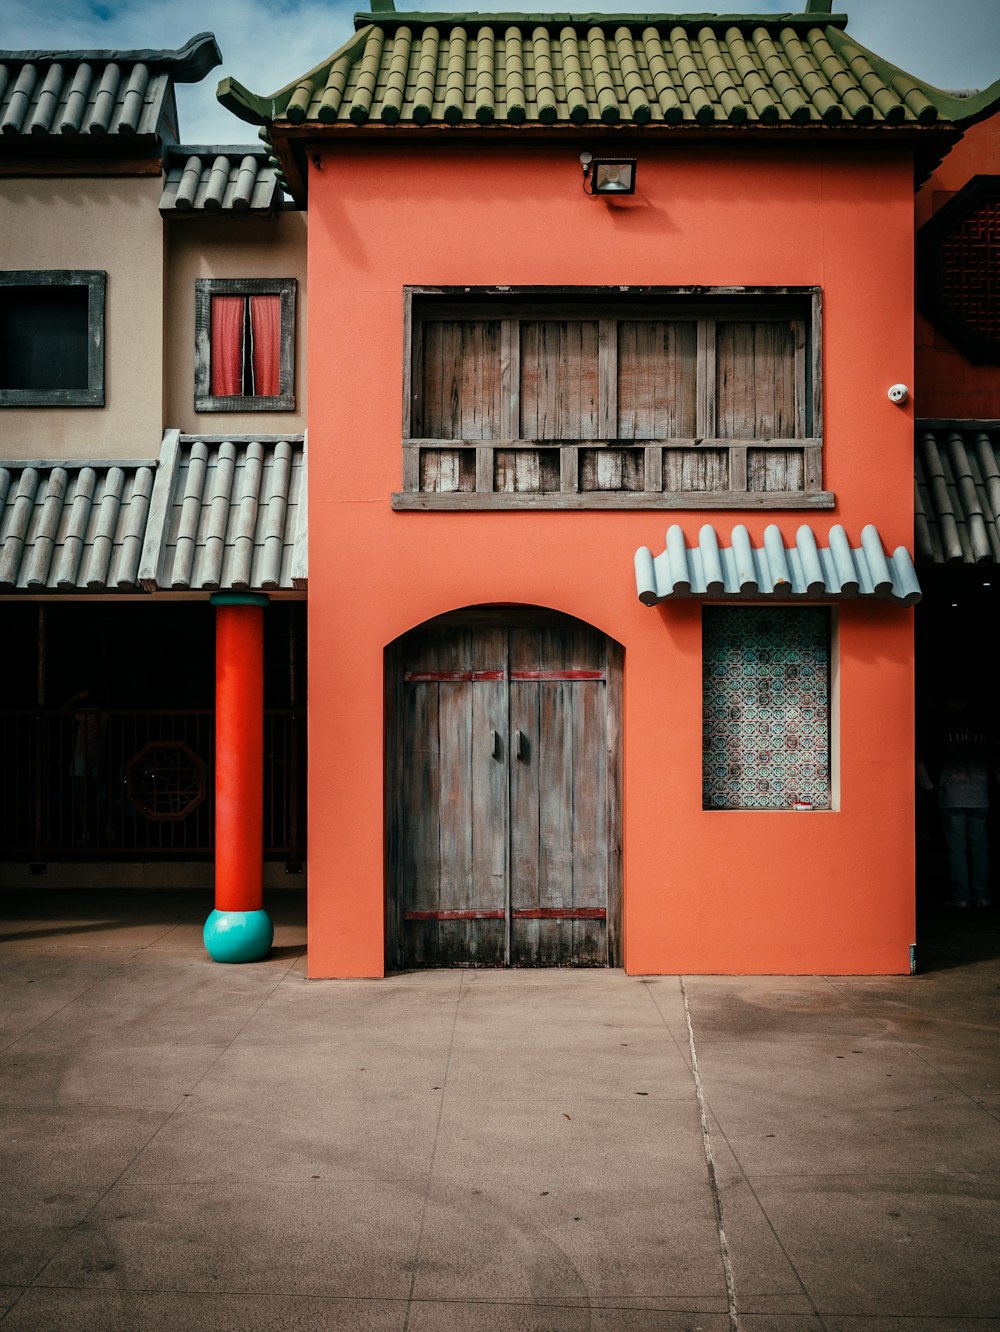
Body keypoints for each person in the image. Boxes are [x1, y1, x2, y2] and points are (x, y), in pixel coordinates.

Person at [919, 690, 995, 908]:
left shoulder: (941, 730)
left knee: (957, 848)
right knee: (980, 847)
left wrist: (930, 787)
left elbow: (921, 761)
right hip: (980, 795)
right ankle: (982, 895)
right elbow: (995, 763)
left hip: (951, 794)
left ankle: (961, 896)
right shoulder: (984, 730)